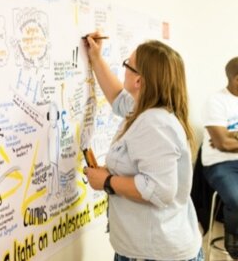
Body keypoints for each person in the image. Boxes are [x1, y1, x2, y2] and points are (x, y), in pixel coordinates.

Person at [83, 31, 202, 261]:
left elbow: (159, 189)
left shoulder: (155, 123)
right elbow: (118, 97)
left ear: (139, 80)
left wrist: (107, 181)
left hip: (157, 253)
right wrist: (96, 58)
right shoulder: (146, 109)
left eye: (127, 64)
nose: (124, 69)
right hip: (150, 248)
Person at [201, 56, 238, 258]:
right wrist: (224, 140)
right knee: (236, 197)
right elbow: (222, 144)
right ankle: (235, 244)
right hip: (219, 164)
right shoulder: (216, 102)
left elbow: (225, 140)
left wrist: (229, 137)